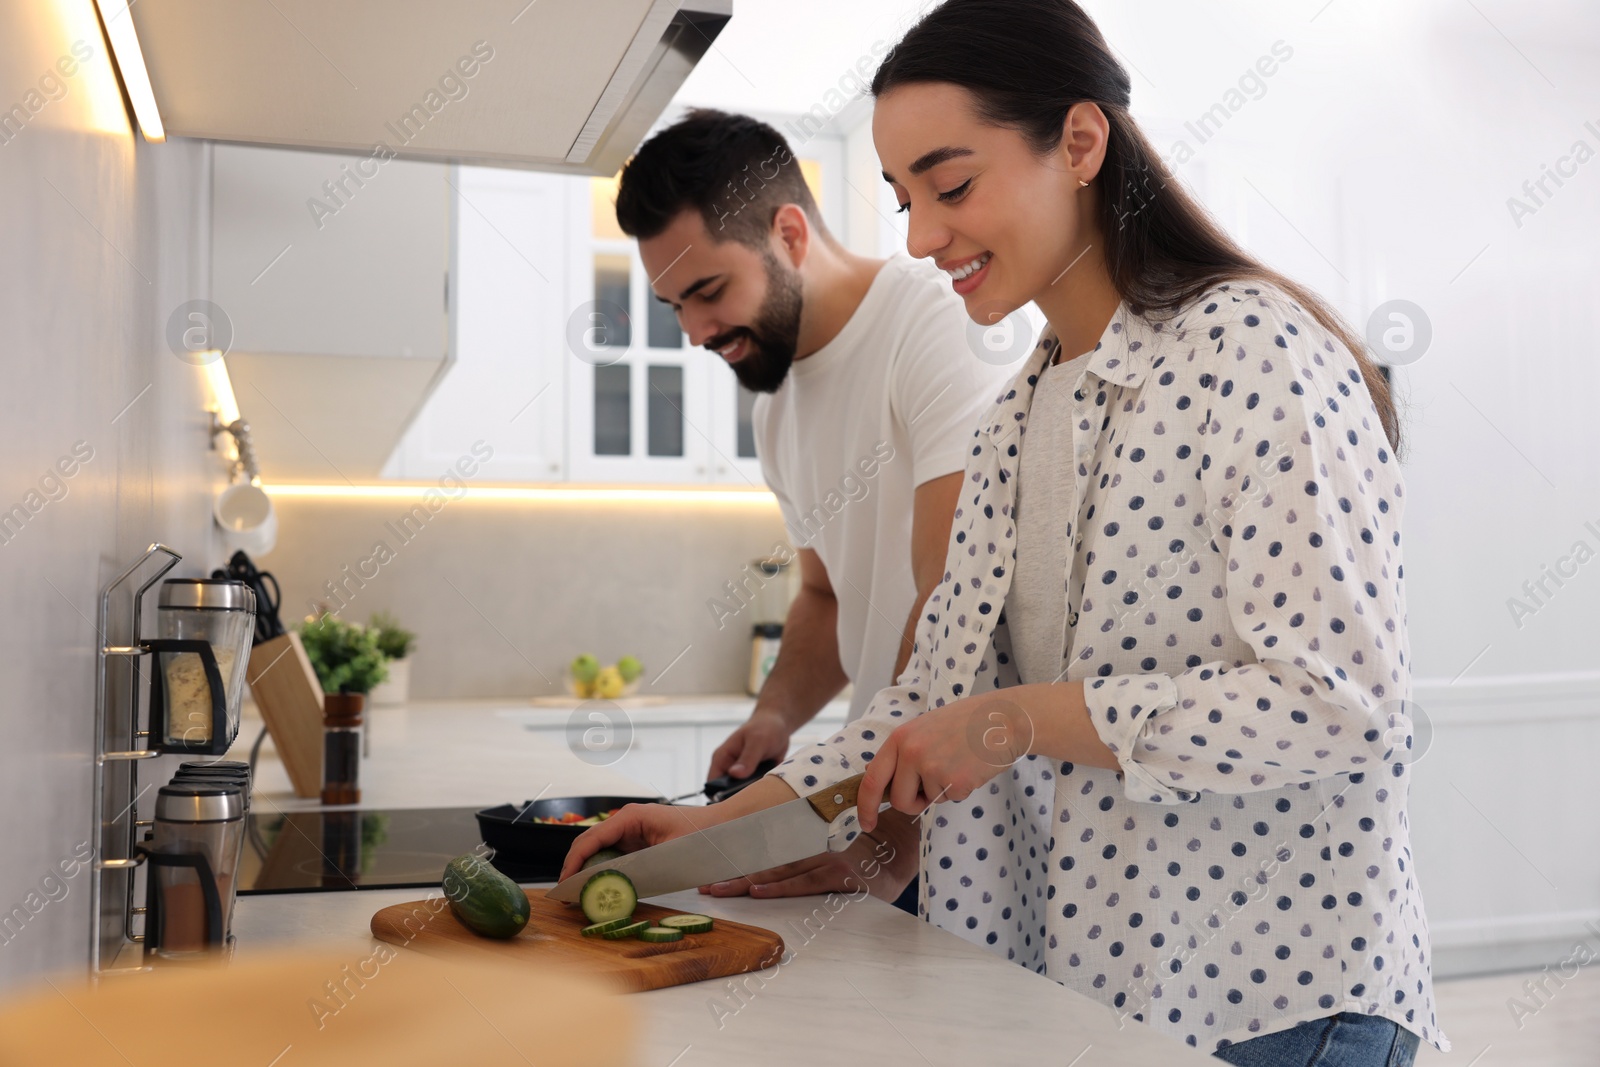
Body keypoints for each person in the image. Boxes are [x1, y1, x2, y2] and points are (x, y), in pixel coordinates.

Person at [564, 2, 1450, 1062]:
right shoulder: (1019, 415)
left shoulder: (1255, 349)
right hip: (1103, 994)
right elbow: (928, 705)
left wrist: (1023, 718)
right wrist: (708, 827)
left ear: (1079, 143)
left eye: (951, 185)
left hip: (1281, 1010)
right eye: (902, 200)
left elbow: (1341, 703)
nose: (921, 235)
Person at [613, 109, 1012, 902]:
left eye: (708, 291)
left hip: (966, 834)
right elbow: (827, 595)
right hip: (881, 809)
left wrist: (894, 839)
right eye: (674, 306)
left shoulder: (936, 327)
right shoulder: (776, 409)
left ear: (790, 233)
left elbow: (956, 601)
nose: (694, 331)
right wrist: (776, 717)